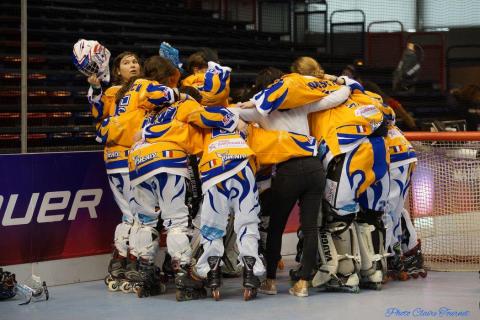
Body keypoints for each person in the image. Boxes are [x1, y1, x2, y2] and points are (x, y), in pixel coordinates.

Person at [236, 63, 352, 297]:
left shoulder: (260, 110)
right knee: (310, 227)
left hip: (287, 172)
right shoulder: (301, 103)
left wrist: (245, 105)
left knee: (276, 227)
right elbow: (339, 96)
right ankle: (303, 284)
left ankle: (269, 280)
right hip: (314, 168)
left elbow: (232, 112)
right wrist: (343, 81)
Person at [75, 41, 142, 291]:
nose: (133, 65)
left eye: (135, 61)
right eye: (126, 62)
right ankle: (131, 262)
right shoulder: (112, 91)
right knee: (133, 214)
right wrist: (94, 87)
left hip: (141, 158)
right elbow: (98, 112)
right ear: (117, 70)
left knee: (134, 215)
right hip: (118, 159)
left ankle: (124, 260)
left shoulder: (147, 88)